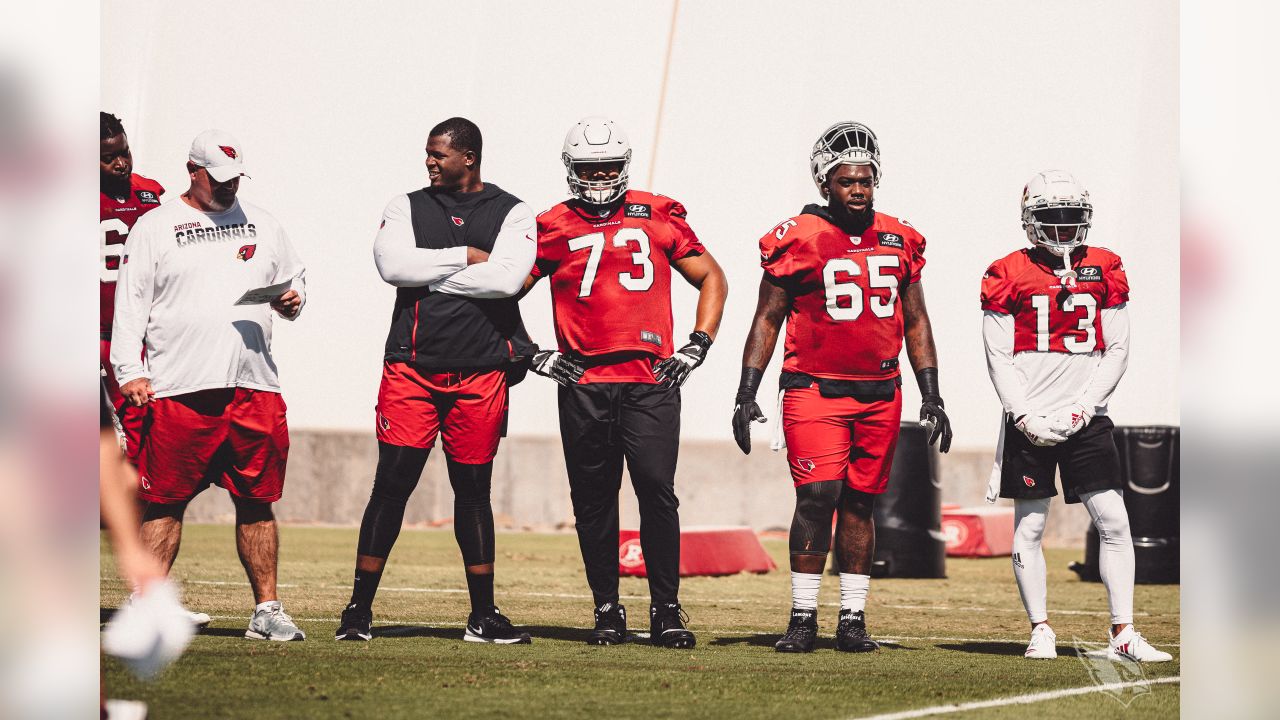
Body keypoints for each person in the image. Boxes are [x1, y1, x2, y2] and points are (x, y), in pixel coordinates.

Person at [732, 122, 952, 653]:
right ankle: (803, 616)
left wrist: (932, 394)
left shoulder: (900, 236)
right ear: (825, 182)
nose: (859, 189)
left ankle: (851, 618)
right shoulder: (798, 237)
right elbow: (767, 318)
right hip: (814, 387)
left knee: (860, 504)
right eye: (848, 180)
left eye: (866, 180)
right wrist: (746, 391)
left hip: (881, 389)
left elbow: (916, 321)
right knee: (817, 496)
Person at [524, 116, 727, 649]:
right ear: (571, 169)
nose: (599, 176)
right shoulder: (551, 224)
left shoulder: (657, 212)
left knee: (657, 492)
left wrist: (697, 344)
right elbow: (502, 295)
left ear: (625, 165)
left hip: (649, 378)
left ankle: (666, 609)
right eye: (590, 168)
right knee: (593, 499)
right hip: (584, 380)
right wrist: (533, 356)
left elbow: (711, 276)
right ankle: (607, 609)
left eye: (609, 166)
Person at [336, 117, 537, 644]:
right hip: (412, 369)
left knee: (473, 493)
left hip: (482, 372)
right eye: (427, 153)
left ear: (467, 157)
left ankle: (483, 615)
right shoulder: (405, 205)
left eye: (438, 154)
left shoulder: (511, 211)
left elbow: (509, 280)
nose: (428, 161)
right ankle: (357, 611)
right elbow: (392, 267)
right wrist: (467, 259)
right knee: (392, 486)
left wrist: (433, 272)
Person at [111, 128, 308, 642]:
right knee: (166, 500)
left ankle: (267, 610)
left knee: (257, 499)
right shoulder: (155, 227)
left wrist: (293, 299)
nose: (228, 188)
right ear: (192, 171)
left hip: (254, 385)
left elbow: (294, 277)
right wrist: (129, 371)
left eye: (235, 178)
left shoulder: (262, 222)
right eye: (218, 179)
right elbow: (131, 305)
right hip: (181, 386)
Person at [980, 170, 1171, 662]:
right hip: (1031, 419)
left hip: (1086, 417)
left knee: (1115, 520)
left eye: (1071, 218)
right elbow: (998, 354)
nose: (1063, 228)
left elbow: (1119, 348)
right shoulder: (1008, 271)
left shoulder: (1105, 266)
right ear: (1030, 220)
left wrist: (1085, 407)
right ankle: (1040, 628)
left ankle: (1123, 632)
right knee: (1030, 525)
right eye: (1051, 217)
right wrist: (1022, 415)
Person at [100, 112, 164, 463]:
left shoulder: (151, 192)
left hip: (133, 333)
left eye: (125, 152)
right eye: (109, 158)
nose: (121, 163)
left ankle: (137, 511)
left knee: (140, 426)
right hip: (90, 328)